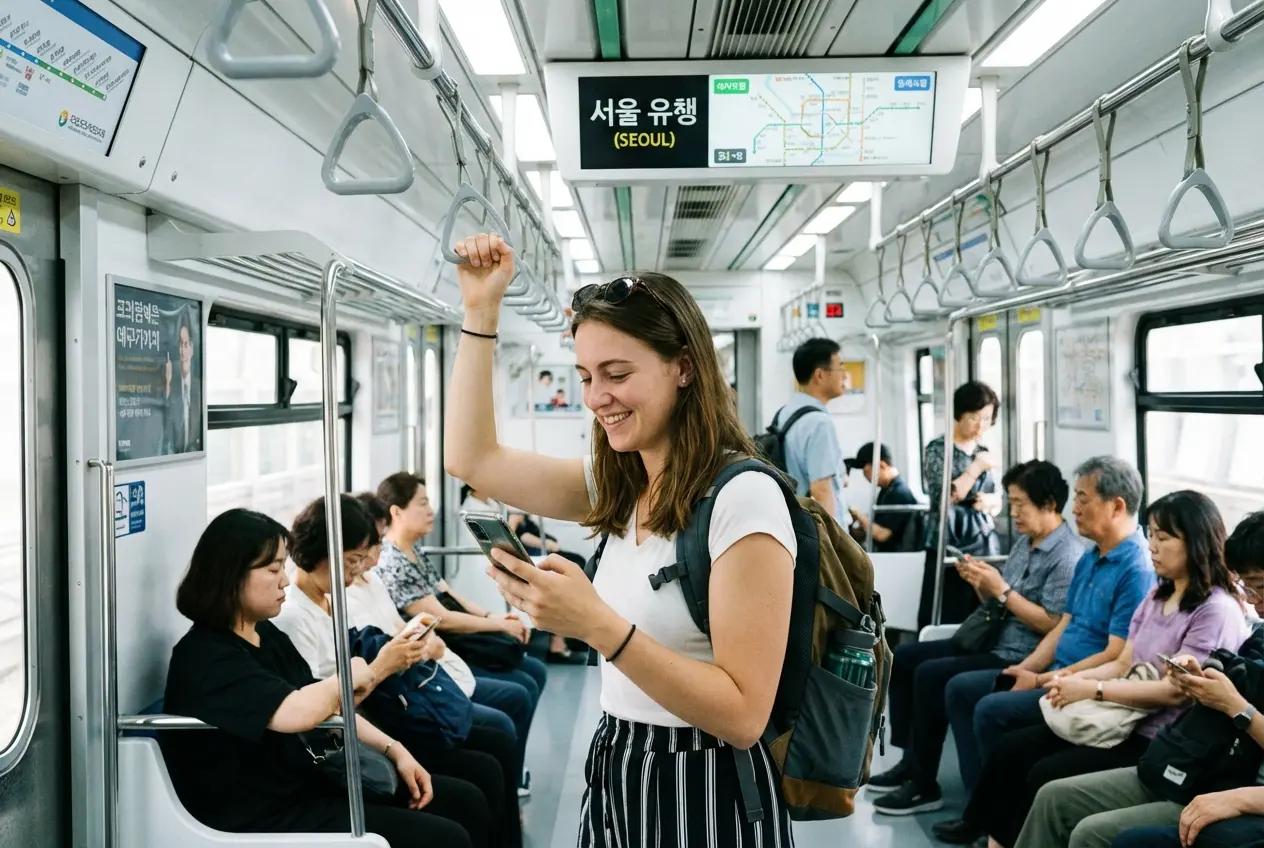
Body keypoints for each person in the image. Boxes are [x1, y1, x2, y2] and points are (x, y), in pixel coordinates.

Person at [444, 233, 797, 846]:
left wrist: (594, 623)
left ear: (684, 367)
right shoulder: (620, 484)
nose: (596, 398)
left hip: (706, 781)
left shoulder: (744, 499)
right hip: (619, 758)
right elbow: (471, 458)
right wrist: (480, 313)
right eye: (584, 376)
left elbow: (743, 715)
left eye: (616, 373)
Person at [161, 508, 486, 846]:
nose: (284, 580)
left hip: (307, 780)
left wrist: (396, 750)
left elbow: (332, 708)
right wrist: (360, 672)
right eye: (273, 569)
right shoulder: (206, 658)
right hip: (265, 814)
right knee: (446, 837)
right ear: (230, 575)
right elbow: (300, 711)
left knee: (465, 799)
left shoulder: (266, 635)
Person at [947, 491, 1250, 847]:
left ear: (1197, 542)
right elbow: (1123, 662)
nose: (1152, 546)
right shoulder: (1156, 596)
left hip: (1155, 736)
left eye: (1164, 538)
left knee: (1044, 772)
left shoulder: (1215, 610)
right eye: (1151, 535)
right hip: (1120, 717)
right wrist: (1065, 681)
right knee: (1011, 749)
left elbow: (1173, 691)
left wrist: (1091, 690)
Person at [275, 494, 522, 846]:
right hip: (353, 739)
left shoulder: (329, 600)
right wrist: (382, 667)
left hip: (382, 714)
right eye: (352, 561)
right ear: (321, 552)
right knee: (476, 783)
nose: (358, 571)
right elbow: (321, 710)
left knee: (493, 751)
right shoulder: (294, 618)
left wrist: (398, 652)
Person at [934, 456, 1154, 812]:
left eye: (1083, 499)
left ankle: (994, 815)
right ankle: (983, 807)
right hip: (1054, 673)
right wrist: (1028, 670)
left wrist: (1042, 680)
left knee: (991, 710)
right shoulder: (1091, 556)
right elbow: (1065, 625)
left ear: (1116, 506)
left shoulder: (1136, 569)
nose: (1075, 508)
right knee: (962, 689)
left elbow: (1115, 655)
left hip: (1084, 684)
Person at [871, 460, 1084, 815]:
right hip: (992, 637)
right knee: (906, 657)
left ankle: (923, 783)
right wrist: (984, 585)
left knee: (931, 674)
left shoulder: (1068, 557)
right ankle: (910, 759)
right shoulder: (1024, 544)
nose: (1013, 512)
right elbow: (1002, 601)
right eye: (1011, 503)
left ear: (1048, 504)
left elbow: (1052, 624)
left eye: (1020, 504)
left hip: (1017, 653)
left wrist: (1000, 591)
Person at [376, 471, 546, 795]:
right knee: (520, 689)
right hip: (439, 652)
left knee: (533, 671)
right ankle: (509, 777)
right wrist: (498, 625)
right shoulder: (391, 561)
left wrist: (494, 614)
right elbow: (443, 618)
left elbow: (449, 594)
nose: (431, 511)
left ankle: (513, 769)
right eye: (422, 503)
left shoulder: (414, 551)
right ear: (396, 512)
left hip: (450, 645)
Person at [919, 381, 1003, 627]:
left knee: (981, 612)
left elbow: (997, 499)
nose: (981, 425)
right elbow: (945, 497)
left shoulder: (984, 449)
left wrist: (990, 502)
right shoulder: (938, 450)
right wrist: (976, 467)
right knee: (947, 610)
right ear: (959, 415)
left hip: (981, 540)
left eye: (987, 419)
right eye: (975, 418)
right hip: (946, 540)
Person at [778, 337, 849, 526]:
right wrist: (833, 545)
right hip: (817, 531)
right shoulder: (819, 423)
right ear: (820, 375)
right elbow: (821, 490)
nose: (845, 375)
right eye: (840, 367)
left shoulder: (785, 413)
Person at [846, 442, 923, 552]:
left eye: (866, 472)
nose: (866, 478)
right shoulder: (886, 491)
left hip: (895, 555)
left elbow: (882, 535)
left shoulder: (899, 493)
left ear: (882, 465)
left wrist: (858, 515)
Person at [162, 309, 201, 454]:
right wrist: (167, 382)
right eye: (179, 344)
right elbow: (165, 426)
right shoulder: (171, 383)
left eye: (185, 345)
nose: (182, 351)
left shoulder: (198, 388)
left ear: (191, 349)